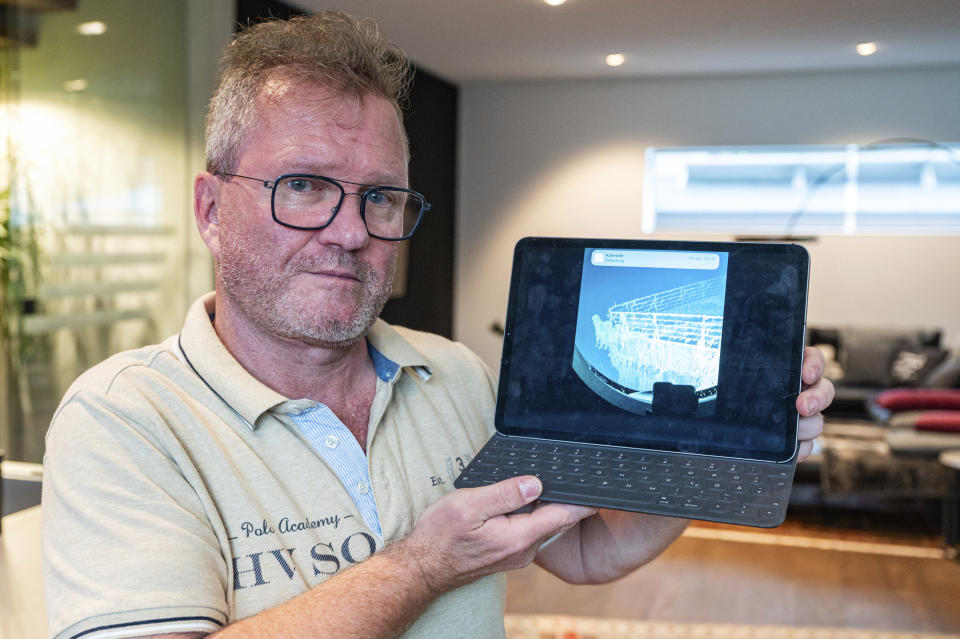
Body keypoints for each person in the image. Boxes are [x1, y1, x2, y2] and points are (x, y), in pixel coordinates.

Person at [40, 11, 833, 639]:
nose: (351, 231)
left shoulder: (451, 373)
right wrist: (422, 566)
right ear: (211, 210)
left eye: (380, 197)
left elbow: (586, 550)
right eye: (307, 186)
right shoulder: (122, 420)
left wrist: (727, 443)